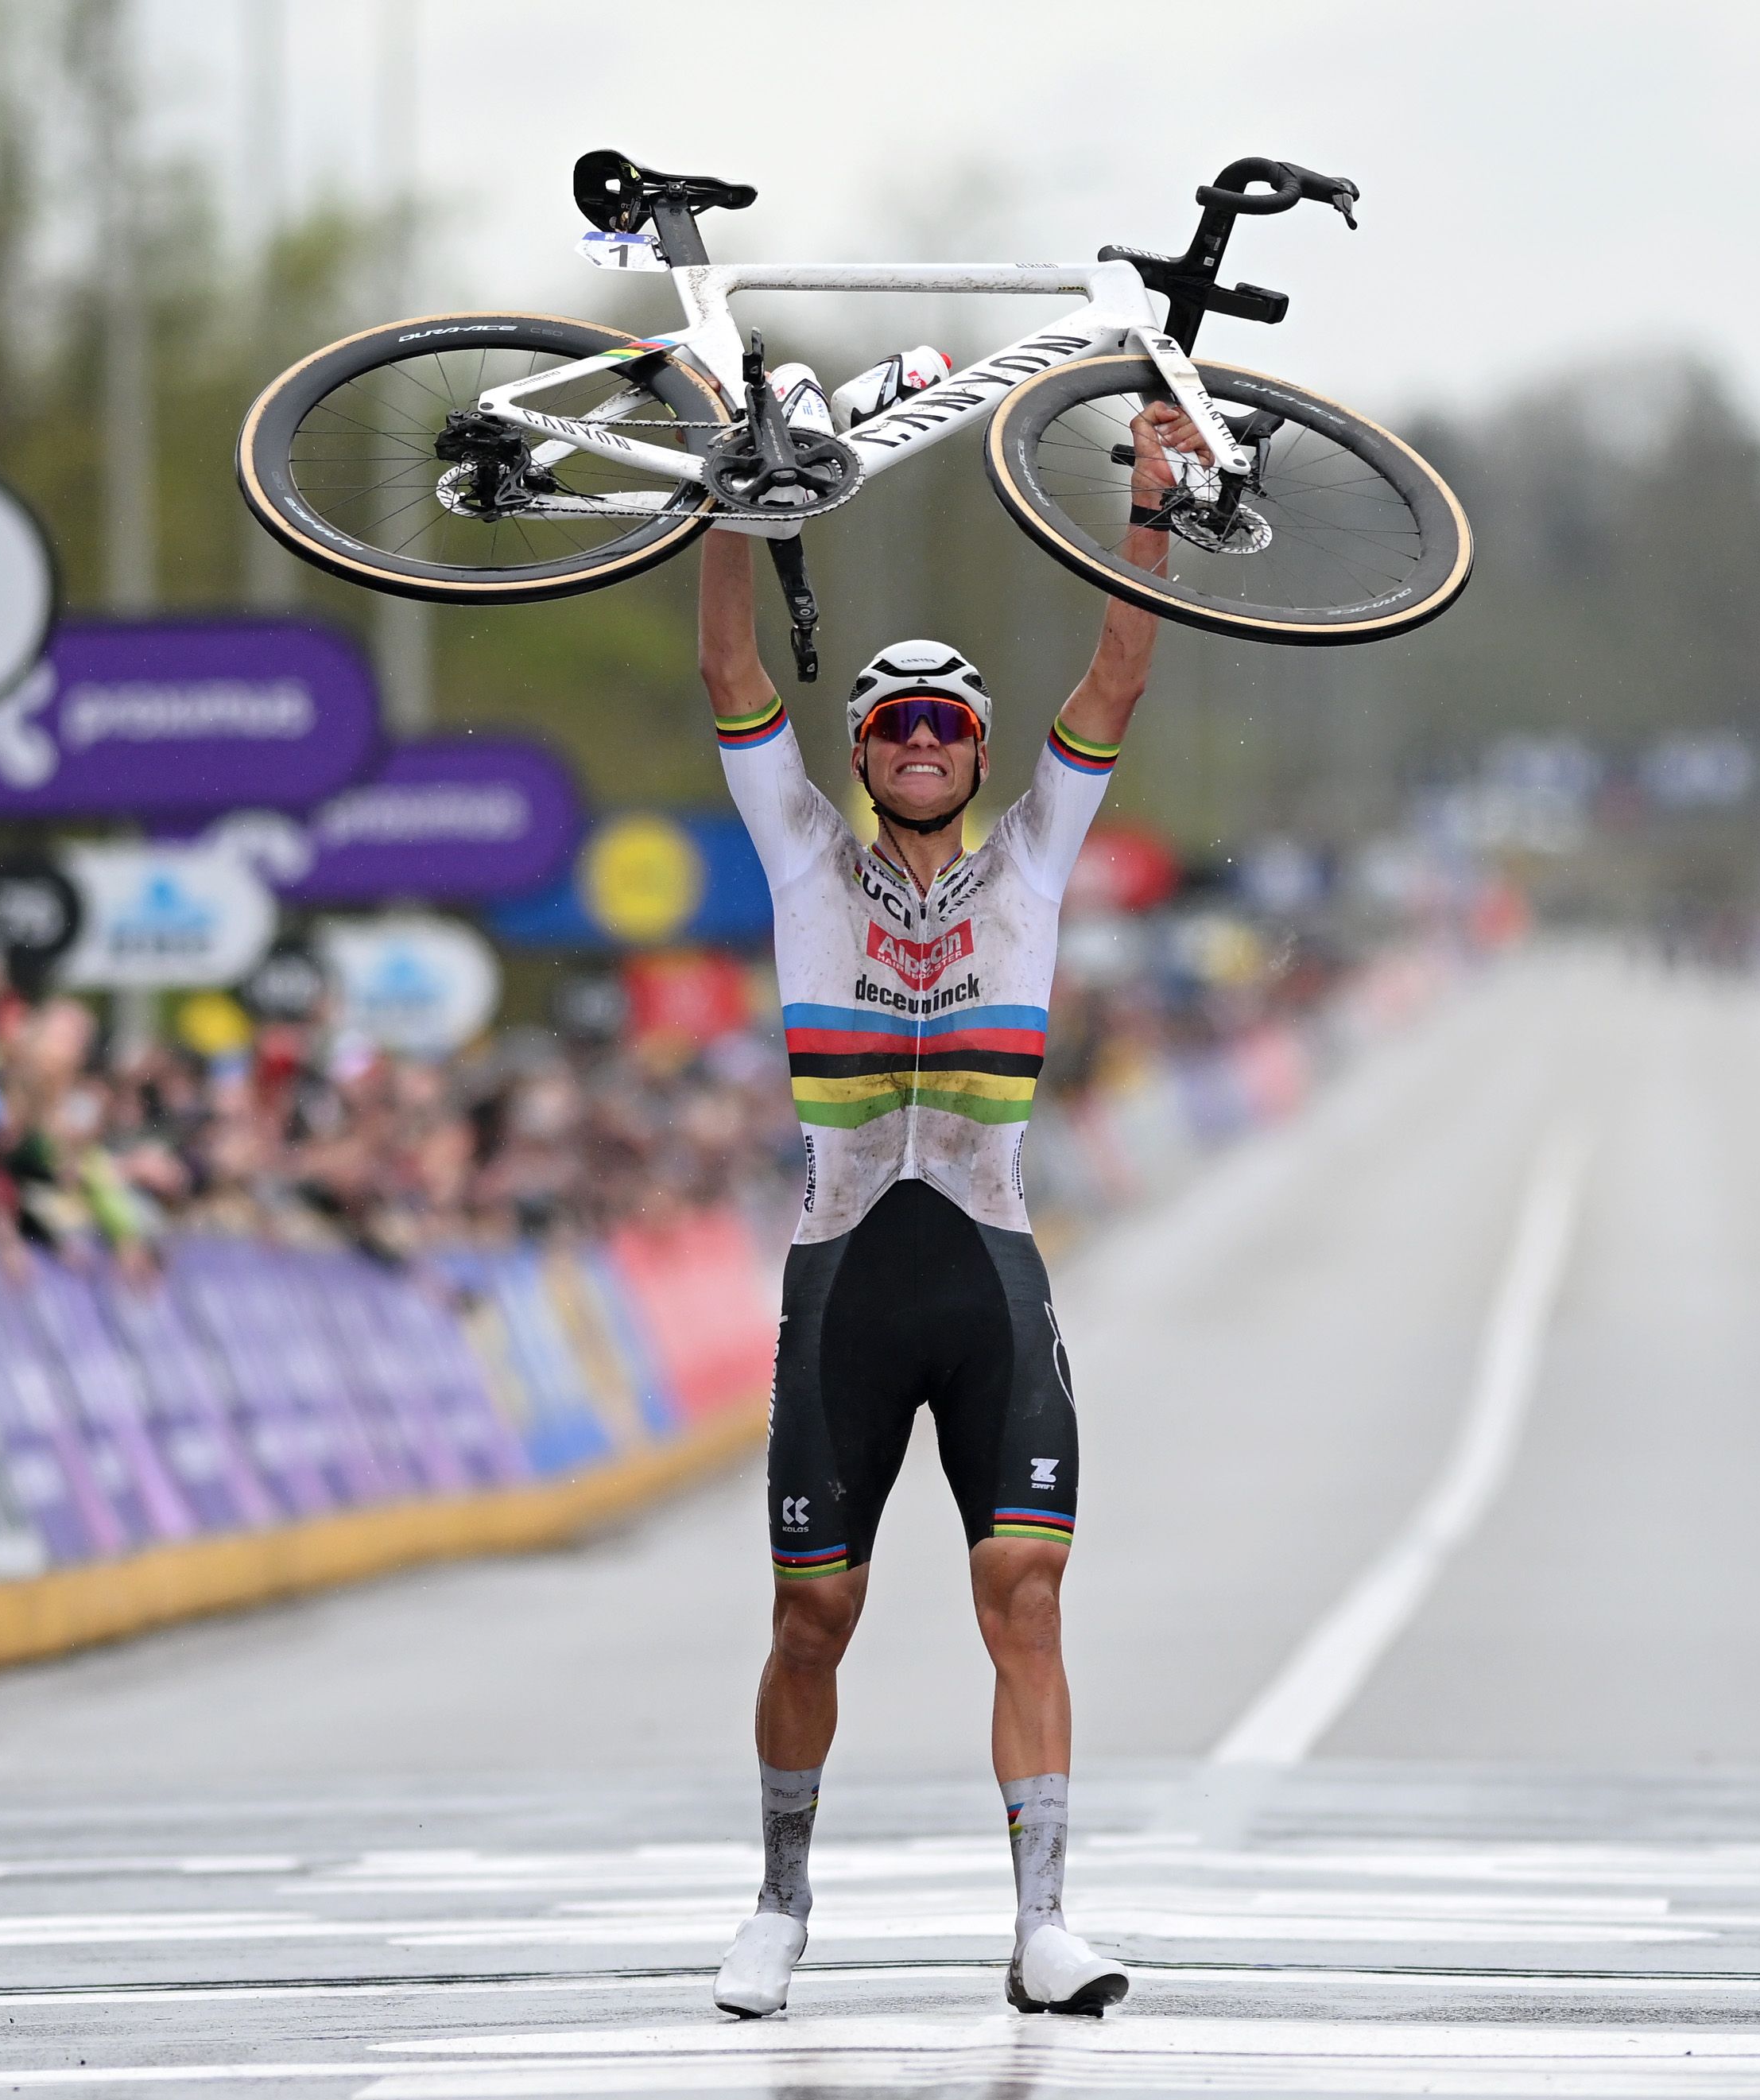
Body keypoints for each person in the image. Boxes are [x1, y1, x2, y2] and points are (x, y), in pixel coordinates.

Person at [700, 400, 1202, 2020]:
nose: (919, 739)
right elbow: (729, 675)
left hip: (984, 1268)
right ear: (859, 753)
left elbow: (1115, 680)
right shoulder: (797, 860)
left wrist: (1148, 509)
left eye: (945, 726)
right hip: (843, 1278)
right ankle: (778, 1900)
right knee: (811, 1616)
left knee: (1027, 1593)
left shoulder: (1038, 863)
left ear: (981, 756)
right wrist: (726, 506)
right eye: (893, 724)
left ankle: (1045, 1920)